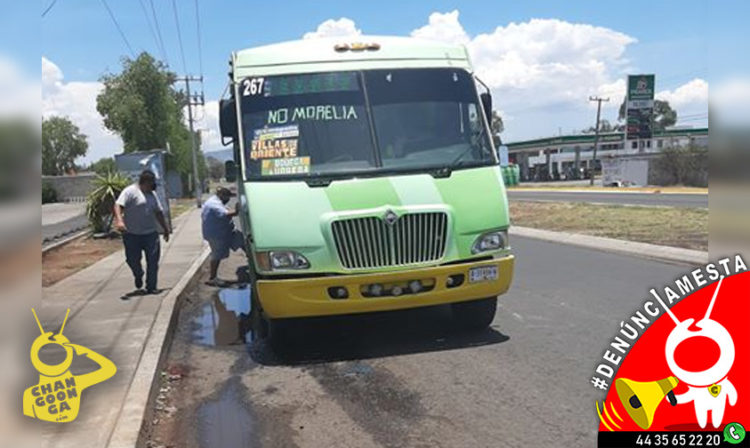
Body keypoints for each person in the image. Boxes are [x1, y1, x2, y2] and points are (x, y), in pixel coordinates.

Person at [114, 170, 170, 294]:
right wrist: (119, 221)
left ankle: (151, 286)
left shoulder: (152, 194)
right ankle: (138, 274)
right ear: (144, 182)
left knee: (153, 261)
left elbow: (158, 212)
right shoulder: (130, 191)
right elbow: (118, 205)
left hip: (150, 234)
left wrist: (165, 229)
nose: (152, 186)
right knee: (132, 260)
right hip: (132, 234)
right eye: (151, 184)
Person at [202, 187, 243, 286]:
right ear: (221, 196)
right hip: (216, 235)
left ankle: (254, 266)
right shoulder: (214, 204)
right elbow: (226, 214)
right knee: (217, 255)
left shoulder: (217, 202)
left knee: (243, 241)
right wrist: (237, 211)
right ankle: (212, 278)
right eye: (227, 197)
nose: (228, 199)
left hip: (226, 232)